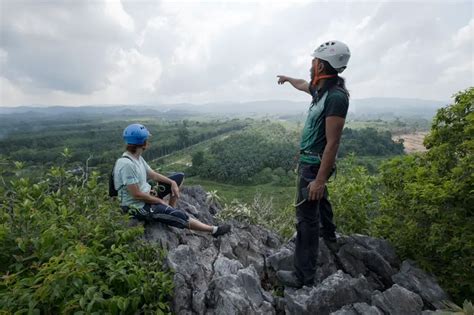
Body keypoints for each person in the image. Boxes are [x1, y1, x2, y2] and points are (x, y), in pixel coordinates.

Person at [275, 40, 351, 288]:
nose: (310, 65)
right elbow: (302, 84)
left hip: (314, 166)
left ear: (321, 64)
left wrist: (319, 178)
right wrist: (288, 79)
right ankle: (329, 235)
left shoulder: (336, 98)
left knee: (306, 220)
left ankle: (303, 276)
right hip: (312, 164)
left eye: (313, 61)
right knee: (321, 199)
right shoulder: (321, 90)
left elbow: (333, 143)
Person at [114, 123, 231, 237]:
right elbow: (136, 194)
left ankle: (170, 209)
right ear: (143, 143)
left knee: (179, 177)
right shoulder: (127, 164)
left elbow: (153, 175)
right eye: (147, 139)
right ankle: (213, 230)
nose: (148, 142)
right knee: (178, 215)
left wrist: (172, 182)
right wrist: (158, 201)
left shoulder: (137, 158)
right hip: (136, 207)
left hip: (148, 195)